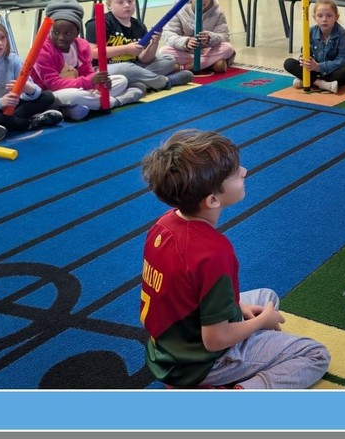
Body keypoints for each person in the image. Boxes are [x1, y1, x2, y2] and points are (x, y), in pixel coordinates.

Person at [139, 129, 331, 389]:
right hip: (201, 362)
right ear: (213, 200)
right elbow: (215, 340)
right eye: (235, 174)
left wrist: (240, 309)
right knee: (315, 354)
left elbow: (183, 293)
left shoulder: (164, 224)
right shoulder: (213, 253)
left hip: (170, 346)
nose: (244, 171)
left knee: (266, 297)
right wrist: (261, 322)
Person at [32, 0, 145, 120]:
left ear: (77, 32)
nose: (61, 38)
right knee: (75, 96)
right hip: (52, 93)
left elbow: (87, 72)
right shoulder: (42, 49)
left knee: (121, 80)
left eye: (68, 33)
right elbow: (53, 84)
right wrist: (90, 82)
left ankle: (72, 110)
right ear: (50, 30)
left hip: (79, 87)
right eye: (56, 32)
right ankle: (118, 101)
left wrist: (98, 84)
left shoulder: (82, 45)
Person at [0, 17, 63, 141]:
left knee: (47, 96)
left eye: (2, 37)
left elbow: (32, 93)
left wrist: (29, 89)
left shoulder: (13, 59)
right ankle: (27, 123)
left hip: (11, 109)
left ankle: (1, 125)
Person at [84, 0, 193, 91]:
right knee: (127, 68)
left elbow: (144, 59)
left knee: (168, 59)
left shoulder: (138, 26)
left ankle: (137, 83)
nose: (127, 5)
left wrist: (154, 43)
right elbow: (94, 53)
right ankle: (165, 82)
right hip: (103, 70)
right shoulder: (99, 22)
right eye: (120, 2)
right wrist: (126, 49)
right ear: (109, 5)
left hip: (134, 66)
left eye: (130, 1)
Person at [159, 0, 237, 74]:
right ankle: (211, 64)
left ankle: (185, 67)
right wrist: (186, 42)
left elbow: (224, 36)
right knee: (163, 51)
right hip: (186, 52)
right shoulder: (178, 10)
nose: (202, 0)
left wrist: (210, 38)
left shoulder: (217, 12)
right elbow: (169, 35)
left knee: (228, 48)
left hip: (207, 51)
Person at [283, 0, 345, 93]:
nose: (324, 19)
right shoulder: (311, 31)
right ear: (314, 17)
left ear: (336, 17)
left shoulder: (342, 34)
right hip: (314, 70)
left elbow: (343, 60)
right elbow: (305, 51)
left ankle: (308, 80)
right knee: (289, 63)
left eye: (329, 16)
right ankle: (321, 84)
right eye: (320, 16)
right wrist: (304, 59)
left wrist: (319, 66)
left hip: (331, 71)